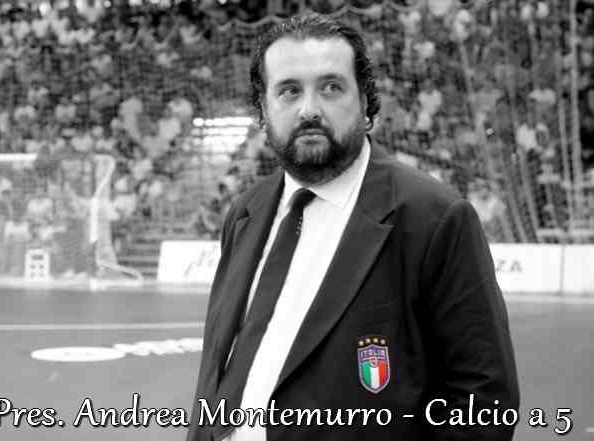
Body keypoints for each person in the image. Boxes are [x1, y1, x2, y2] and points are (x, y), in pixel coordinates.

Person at [187, 14, 519, 441]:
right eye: (289, 90)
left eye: (331, 87)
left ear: (365, 102)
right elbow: (217, 368)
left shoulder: (434, 217)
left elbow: (483, 402)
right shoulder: (245, 212)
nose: (309, 109)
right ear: (263, 110)